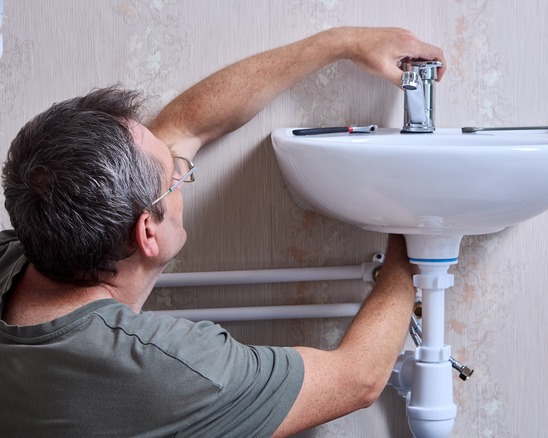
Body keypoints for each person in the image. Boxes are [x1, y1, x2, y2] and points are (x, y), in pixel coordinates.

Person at [0, 27, 446, 437]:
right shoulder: (170, 371)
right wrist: (412, 227)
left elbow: (186, 126)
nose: (182, 171)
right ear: (147, 234)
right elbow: (358, 378)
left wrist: (343, 43)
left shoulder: (25, 246)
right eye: (175, 177)